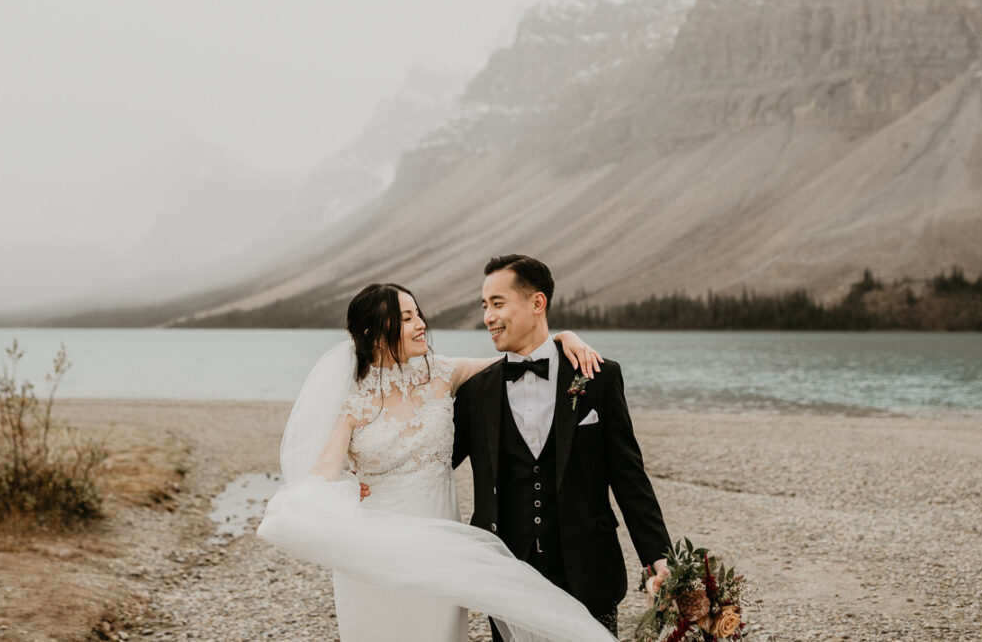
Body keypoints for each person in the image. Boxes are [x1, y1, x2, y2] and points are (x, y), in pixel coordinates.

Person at [257, 282, 619, 642]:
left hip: (442, 549)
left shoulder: (443, 373)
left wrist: (563, 338)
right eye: (406, 318)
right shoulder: (353, 402)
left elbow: (517, 361)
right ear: (373, 333)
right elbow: (325, 471)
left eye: (418, 314)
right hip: (374, 552)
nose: (420, 325)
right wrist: (326, 500)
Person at [454, 254, 672, 640]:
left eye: (498, 303)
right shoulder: (475, 391)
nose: (487, 316)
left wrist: (659, 558)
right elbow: (434, 461)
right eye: (484, 306)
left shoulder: (597, 377)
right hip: (508, 575)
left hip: (589, 573)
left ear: (537, 303)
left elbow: (628, 475)